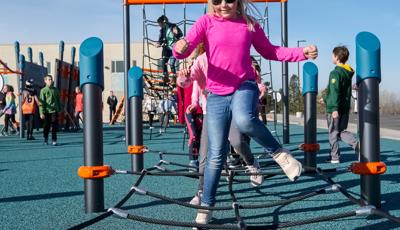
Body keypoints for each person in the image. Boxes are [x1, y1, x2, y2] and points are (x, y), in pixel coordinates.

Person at [173, 0, 318, 224]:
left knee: (243, 119)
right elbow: (185, 48)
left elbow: (270, 51)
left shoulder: (248, 25)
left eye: (229, 0)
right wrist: (179, 47)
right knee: (215, 155)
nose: (223, 5)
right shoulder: (206, 22)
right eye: (217, 1)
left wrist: (301, 53)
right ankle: (206, 207)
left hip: (244, 85)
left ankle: (280, 154)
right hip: (216, 94)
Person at [321, 46, 358, 164]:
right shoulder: (347, 72)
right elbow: (339, 91)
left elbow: (334, 90)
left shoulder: (335, 73)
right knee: (340, 131)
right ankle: (356, 145)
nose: (331, 57)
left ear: (337, 57)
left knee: (333, 132)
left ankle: (335, 157)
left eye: (332, 55)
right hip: (344, 107)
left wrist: (333, 108)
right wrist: (326, 98)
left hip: (335, 108)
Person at [156, 15, 183, 82]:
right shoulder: (162, 30)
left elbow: (180, 34)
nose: (159, 25)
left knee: (171, 64)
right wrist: (159, 43)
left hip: (174, 49)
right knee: (164, 62)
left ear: (164, 22)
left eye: (160, 24)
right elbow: (160, 39)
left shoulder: (173, 26)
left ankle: (174, 79)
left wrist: (177, 33)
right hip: (166, 49)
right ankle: (165, 77)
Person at [39, 75, 62, 146]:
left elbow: (58, 100)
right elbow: (41, 102)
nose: (50, 81)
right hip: (46, 111)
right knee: (46, 126)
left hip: (54, 111)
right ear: (45, 81)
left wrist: (59, 109)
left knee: (54, 126)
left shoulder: (56, 90)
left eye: (51, 79)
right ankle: (45, 138)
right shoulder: (43, 90)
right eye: (48, 79)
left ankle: (54, 140)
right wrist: (41, 112)